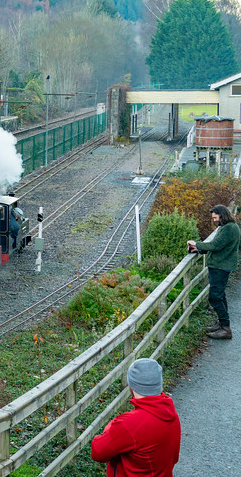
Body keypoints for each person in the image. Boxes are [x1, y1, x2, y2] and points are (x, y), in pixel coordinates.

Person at [90, 358, 180, 477]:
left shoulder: (128, 424)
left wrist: (111, 426)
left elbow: (98, 452)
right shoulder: (171, 414)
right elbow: (174, 458)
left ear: (131, 386)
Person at [187, 204, 240, 340]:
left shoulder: (229, 228)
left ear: (222, 215)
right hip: (221, 264)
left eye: (215, 218)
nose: (214, 220)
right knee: (220, 295)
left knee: (215, 297)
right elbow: (219, 244)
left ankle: (226, 328)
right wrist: (200, 250)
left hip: (220, 266)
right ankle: (222, 325)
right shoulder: (228, 227)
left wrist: (196, 244)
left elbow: (215, 245)